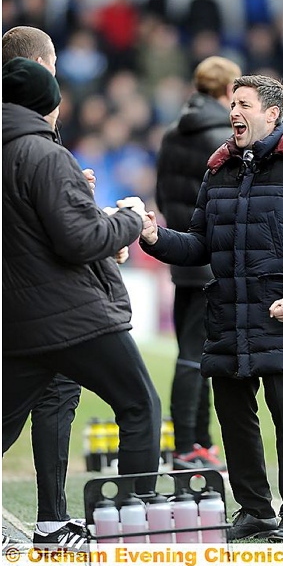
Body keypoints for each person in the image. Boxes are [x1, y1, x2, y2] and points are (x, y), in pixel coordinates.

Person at [140, 74, 283, 542]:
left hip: (280, 311)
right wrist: (154, 237)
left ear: (271, 115)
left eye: (243, 104)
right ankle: (254, 509)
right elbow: (200, 244)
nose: (233, 112)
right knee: (233, 415)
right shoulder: (219, 170)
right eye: (232, 104)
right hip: (228, 313)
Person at [2, 57, 161, 548]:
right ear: (50, 105)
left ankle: (59, 524)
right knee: (140, 405)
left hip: (17, 320)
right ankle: (129, 531)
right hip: (72, 315)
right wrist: (129, 219)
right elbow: (77, 238)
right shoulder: (45, 154)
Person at [1, 25, 95, 548]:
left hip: (18, 293)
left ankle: (52, 520)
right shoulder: (30, 127)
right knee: (49, 392)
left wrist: (68, 190)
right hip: (29, 295)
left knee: (47, 392)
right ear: (40, 63)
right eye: (55, 62)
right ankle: (52, 522)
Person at [156, 56, 241, 471]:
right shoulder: (223, 137)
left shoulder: (172, 133)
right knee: (195, 355)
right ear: (228, 92)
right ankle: (187, 444)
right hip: (211, 258)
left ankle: (201, 442)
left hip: (181, 253)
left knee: (194, 352)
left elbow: (161, 194)